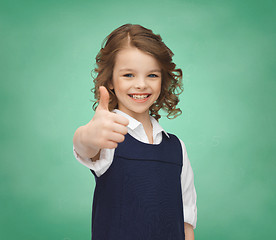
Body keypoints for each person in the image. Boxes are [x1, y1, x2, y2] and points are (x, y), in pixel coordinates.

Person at [73, 24, 197, 240]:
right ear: (110, 80)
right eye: (128, 75)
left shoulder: (177, 148)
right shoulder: (107, 136)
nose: (141, 84)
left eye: (152, 75)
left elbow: (186, 222)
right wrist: (87, 134)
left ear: (163, 80)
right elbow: (84, 145)